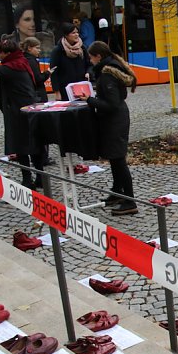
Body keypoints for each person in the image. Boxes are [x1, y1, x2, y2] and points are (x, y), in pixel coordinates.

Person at [76, 41, 138, 216]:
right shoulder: (109, 70)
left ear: (99, 56)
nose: (90, 60)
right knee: (114, 158)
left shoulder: (108, 74)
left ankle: (130, 201)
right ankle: (118, 192)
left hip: (115, 121)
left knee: (118, 160)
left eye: (91, 56)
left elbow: (111, 104)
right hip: (114, 120)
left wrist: (89, 99)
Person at [0, 39, 44, 189]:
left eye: (0, 53)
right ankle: (40, 177)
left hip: (20, 112)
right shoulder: (21, 61)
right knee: (34, 144)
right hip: (29, 109)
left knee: (22, 147)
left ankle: (28, 179)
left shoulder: (12, 67)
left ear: (7, 53)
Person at [49, 22, 91, 101]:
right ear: (66, 35)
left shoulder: (82, 48)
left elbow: (89, 64)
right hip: (65, 89)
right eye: (73, 33)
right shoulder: (58, 50)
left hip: (80, 88)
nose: (76, 35)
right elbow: (53, 72)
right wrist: (57, 92)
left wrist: (88, 72)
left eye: (77, 32)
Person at [21, 37, 50, 103]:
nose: (39, 50)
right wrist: (47, 73)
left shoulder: (23, 58)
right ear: (29, 48)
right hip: (37, 95)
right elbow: (38, 79)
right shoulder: (31, 61)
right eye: (37, 48)